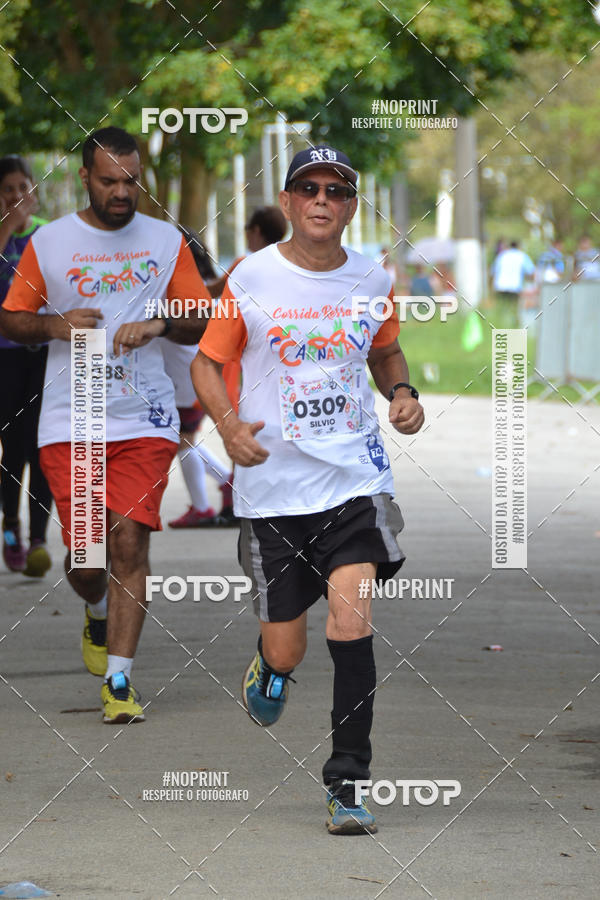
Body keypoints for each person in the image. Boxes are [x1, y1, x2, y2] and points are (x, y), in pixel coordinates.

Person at [192, 145, 424, 835]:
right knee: (289, 648)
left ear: (351, 205)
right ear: (291, 202)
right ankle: (270, 668)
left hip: (355, 479)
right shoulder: (253, 277)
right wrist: (229, 427)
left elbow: (384, 349)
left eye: (337, 189)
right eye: (308, 188)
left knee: (351, 623)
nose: (322, 199)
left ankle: (347, 783)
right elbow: (208, 364)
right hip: (273, 490)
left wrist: (403, 393)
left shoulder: (372, 277)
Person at [0, 127, 209, 724]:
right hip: (73, 420)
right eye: (111, 181)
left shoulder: (167, 240)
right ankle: (95, 612)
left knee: (129, 542)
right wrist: (55, 324)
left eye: (132, 181)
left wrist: (160, 325)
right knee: (87, 561)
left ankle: (119, 681)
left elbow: (200, 317)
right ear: (86, 178)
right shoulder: (53, 243)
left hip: (144, 421)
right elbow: (14, 320)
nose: (123, 193)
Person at [0, 155, 53, 577]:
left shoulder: (48, 236)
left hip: (44, 353)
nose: (18, 197)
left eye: (24, 187)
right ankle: (11, 524)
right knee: (12, 448)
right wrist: (6, 226)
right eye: (8, 189)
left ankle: (38, 537)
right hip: (5, 356)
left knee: (42, 446)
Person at [163, 227, 234, 528]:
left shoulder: (176, 292)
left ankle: (215, 493)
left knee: (181, 441)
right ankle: (213, 495)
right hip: (198, 380)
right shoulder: (207, 286)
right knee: (183, 440)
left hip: (184, 383)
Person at [206, 205, 286, 298]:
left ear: (256, 230)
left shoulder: (243, 264)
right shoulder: (286, 264)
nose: (246, 234)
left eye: (247, 227)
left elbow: (213, 291)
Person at [490, 240, 535, 325]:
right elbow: (531, 272)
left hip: (500, 286)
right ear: (518, 246)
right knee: (514, 310)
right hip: (515, 288)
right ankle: (514, 331)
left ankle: (499, 328)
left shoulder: (502, 255)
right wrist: (530, 283)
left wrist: (491, 289)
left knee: (501, 310)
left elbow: (493, 272)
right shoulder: (522, 256)